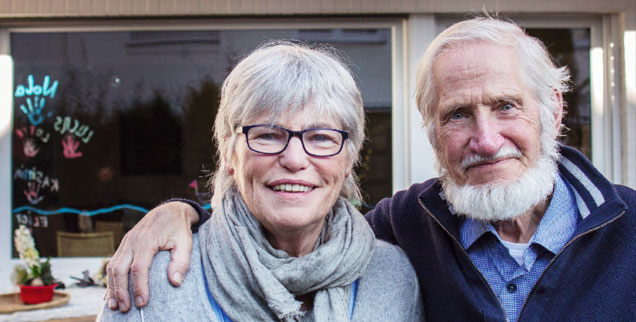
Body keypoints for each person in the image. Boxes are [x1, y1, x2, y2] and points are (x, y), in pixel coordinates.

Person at [106, 17, 636, 321]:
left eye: (505, 105)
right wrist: (181, 213)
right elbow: (293, 207)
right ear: (431, 130)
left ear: (554, 109)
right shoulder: (408, 228)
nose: (486, 138)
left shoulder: (630, 227)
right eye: (457, 114)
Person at [97, 42, 424, 321]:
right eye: (268, 135)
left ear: (349, 157)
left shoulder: (393, 276)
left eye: (321, 137)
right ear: (228, 153)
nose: (295, 160)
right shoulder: (150, 280)